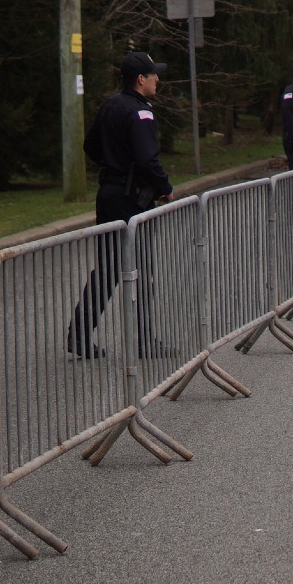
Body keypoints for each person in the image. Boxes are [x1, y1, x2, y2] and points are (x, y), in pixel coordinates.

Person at [67, 51, 175, 359]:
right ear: (141, 80)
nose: (158, 79)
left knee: (108, 270)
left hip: (110, 194)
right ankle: (144, 341)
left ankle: (79, 333)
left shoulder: (110, 105)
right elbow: (146, 159)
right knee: (142, 270)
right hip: (133, 199)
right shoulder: (141, 112)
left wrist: (113, 167)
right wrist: (165, 187)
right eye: (154, 75)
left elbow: (91, 146)